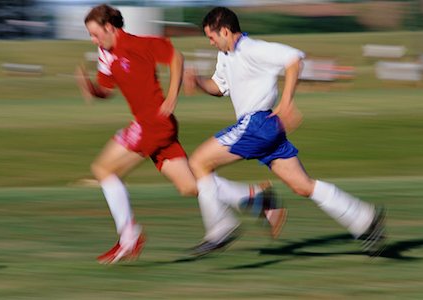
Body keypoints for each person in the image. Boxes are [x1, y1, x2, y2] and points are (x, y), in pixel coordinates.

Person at [75, 4, 286, 264]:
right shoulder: (104, 54)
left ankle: (129, 237)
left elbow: (176, 57)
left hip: (153, 124)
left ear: (109, 27)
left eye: (95, 34)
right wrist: (92, 89)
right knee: (188, 186)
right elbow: (106, 89)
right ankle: (256, 199)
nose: (93, 40)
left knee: (103, 169)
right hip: (151, 126)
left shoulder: (140, 44)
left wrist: (172, 96)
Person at [184, 6, 386, 256]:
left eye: (212, 37)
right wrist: (199, 82)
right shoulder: (226, 56)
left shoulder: (252, 48)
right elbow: (218, 86)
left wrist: (287, 101)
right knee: (303, 186)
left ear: (225, 31)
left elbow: (293, 59)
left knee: (198, 162)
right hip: (268, 128)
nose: (211, 42)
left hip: (256, 124)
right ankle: (364, 218)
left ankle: (221, 226)